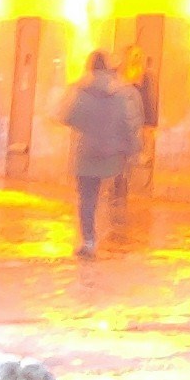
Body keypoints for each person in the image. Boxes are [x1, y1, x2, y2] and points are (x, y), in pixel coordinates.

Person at [58, 47, 143, 259]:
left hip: (86, 153)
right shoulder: (121, 93)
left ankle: (89, 240)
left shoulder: (82, 92)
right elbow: (128, 122)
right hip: (111, 154)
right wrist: (134, 149)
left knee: (87, 198)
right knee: (111, 195)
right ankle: (105, 232)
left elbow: (67, 117)